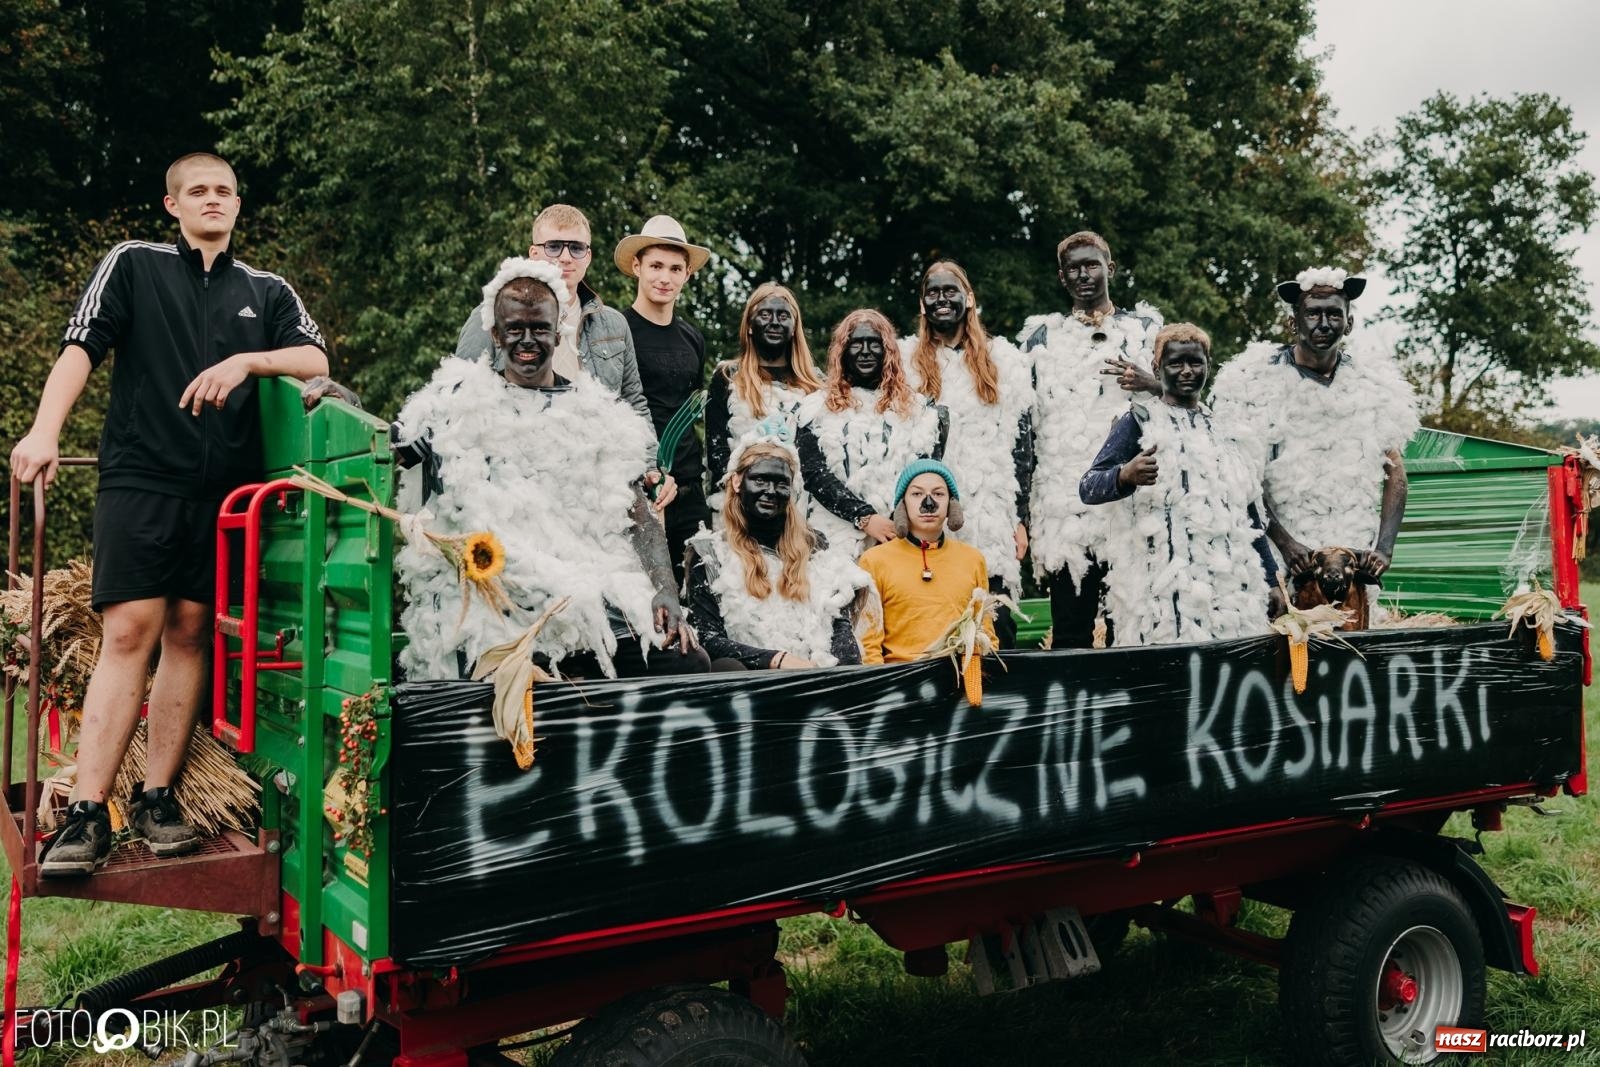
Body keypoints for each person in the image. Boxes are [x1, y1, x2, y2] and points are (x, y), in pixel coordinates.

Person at [12, 152, 329, 876]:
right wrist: (45, 429)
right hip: (143, 478)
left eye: (224, 191)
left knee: (190, 631)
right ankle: (89, 812)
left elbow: (314, 358)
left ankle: (157, 799)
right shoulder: (133, 264)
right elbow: (80, 348)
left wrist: (250, 362)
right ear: (172, 205)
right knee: (130, 629)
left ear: (238, 205)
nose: (213, 200)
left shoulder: (266, 289)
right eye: (198, 192)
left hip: (223, 497)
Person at [392, 257, 706, 681]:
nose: (527, 341)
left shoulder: (595, 412)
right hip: (499, 596)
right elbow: (395, 444)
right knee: (506, 680)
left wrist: (664, 588)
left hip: (591, 585)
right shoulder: (457, 407)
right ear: (495, 334)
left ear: (558, 334)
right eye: (514, 329)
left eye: (539, 328)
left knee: (686, 660)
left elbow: (635, 511)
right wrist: (345, 400)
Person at [1208, 268, 1418, 589]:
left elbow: (1395, 473)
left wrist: (1384, 549)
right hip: (1280, 552)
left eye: (1334, 314)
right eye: (1313, 314)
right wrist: (1285, 543)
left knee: (1350, 636)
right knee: (1287, 637)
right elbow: (1241, 478)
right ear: (1294, 322)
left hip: (1350, 553)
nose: (1323, 324)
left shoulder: (1375, 385)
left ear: (1349, 323)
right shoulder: (1252, 382)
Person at [453, 203, 674, 508]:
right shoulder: (490, 315)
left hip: (595, 482)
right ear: (534, 253)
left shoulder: (613, 324)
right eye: (554, 246)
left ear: (588, 256)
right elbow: (460, 396)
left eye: (576, 247)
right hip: (517, 479)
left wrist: (650, 466)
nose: (566, 257)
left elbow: (633, 401)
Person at [1079, 324, 1277, 645]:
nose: (1186, 371)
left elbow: (1249, 514)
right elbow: (1088, 487)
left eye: (1195, 362)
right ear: (1157, 368)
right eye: (1175, 363)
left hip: (1225, 595)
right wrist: (1125, 475)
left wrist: (1271, 581)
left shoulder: (1226, 430)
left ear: (1208, 364)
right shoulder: (1138, 420)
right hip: (1161, 598)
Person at [1021, 231, 1162, 648]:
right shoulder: (1040, 340)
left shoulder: (1145, 329)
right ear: (1063, 277)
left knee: (1131, 628)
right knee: (1070, 632)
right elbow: (1027, 426)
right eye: (1074, 268)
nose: (1084, 274)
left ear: (1110, 269)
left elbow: (1183, 395)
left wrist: (1149, 382)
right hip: (1067, 507)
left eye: (1092, 264)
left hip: (1133, 500)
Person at [901, 263, 1033, 646]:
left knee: (997, 623)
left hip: (991, 514)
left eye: (950, 291)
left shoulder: (1004, 361)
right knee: (934, 625)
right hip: (928, 514)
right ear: (923, 305)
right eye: (933, 292)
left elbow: (1022, 446)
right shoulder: (906, 361)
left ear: (969, 298)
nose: (942, 299)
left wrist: (1021, 517)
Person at [685, 437, 870, 670]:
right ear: (737, 482)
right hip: (753, 682)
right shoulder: (710, 554)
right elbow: (708, 639)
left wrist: (845, 672)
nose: (771, 491)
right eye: (760, 480)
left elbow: (839, 624)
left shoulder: (815, 546)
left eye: (782, 483)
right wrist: (777, 660)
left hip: (816, 676)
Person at [799, 309, 947, 556]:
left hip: (900, 538)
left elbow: (924, 476)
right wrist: (865, 518)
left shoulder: (920, 411)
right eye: (856, 344)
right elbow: (814, 475)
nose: (865, 351)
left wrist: (894, 523)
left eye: (874, 344)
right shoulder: (814, 408)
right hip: (834, 542)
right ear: (843, 352)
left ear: (888, 351)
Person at [614, 215, 713, 581]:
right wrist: (645, 473)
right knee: (647, 599)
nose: (664, 277)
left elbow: (690, 410)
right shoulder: (617, 330)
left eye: (675, 268)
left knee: (699, 591)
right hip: (641, 488)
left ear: (687, 274)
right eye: (655, 265)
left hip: (689, 491)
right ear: (637, 267)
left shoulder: (693, 338)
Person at [704, 283, 824, 521]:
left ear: (793, 328)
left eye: (783, 316)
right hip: (740, 507)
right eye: (765, 314)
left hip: (800, 510)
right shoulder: (728, 376)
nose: (775, 322)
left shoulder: (816, 385)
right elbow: (715, 450)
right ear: (749, 325)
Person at [859, 460, 995, 664]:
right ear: (902, 504)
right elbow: (867, 644)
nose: (928, 503)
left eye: (939, 494)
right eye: (917, 494)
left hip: (959, 681)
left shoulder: (973, 559)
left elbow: (986, 634)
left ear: (951, 504)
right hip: (900, 681)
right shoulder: (874, 561)